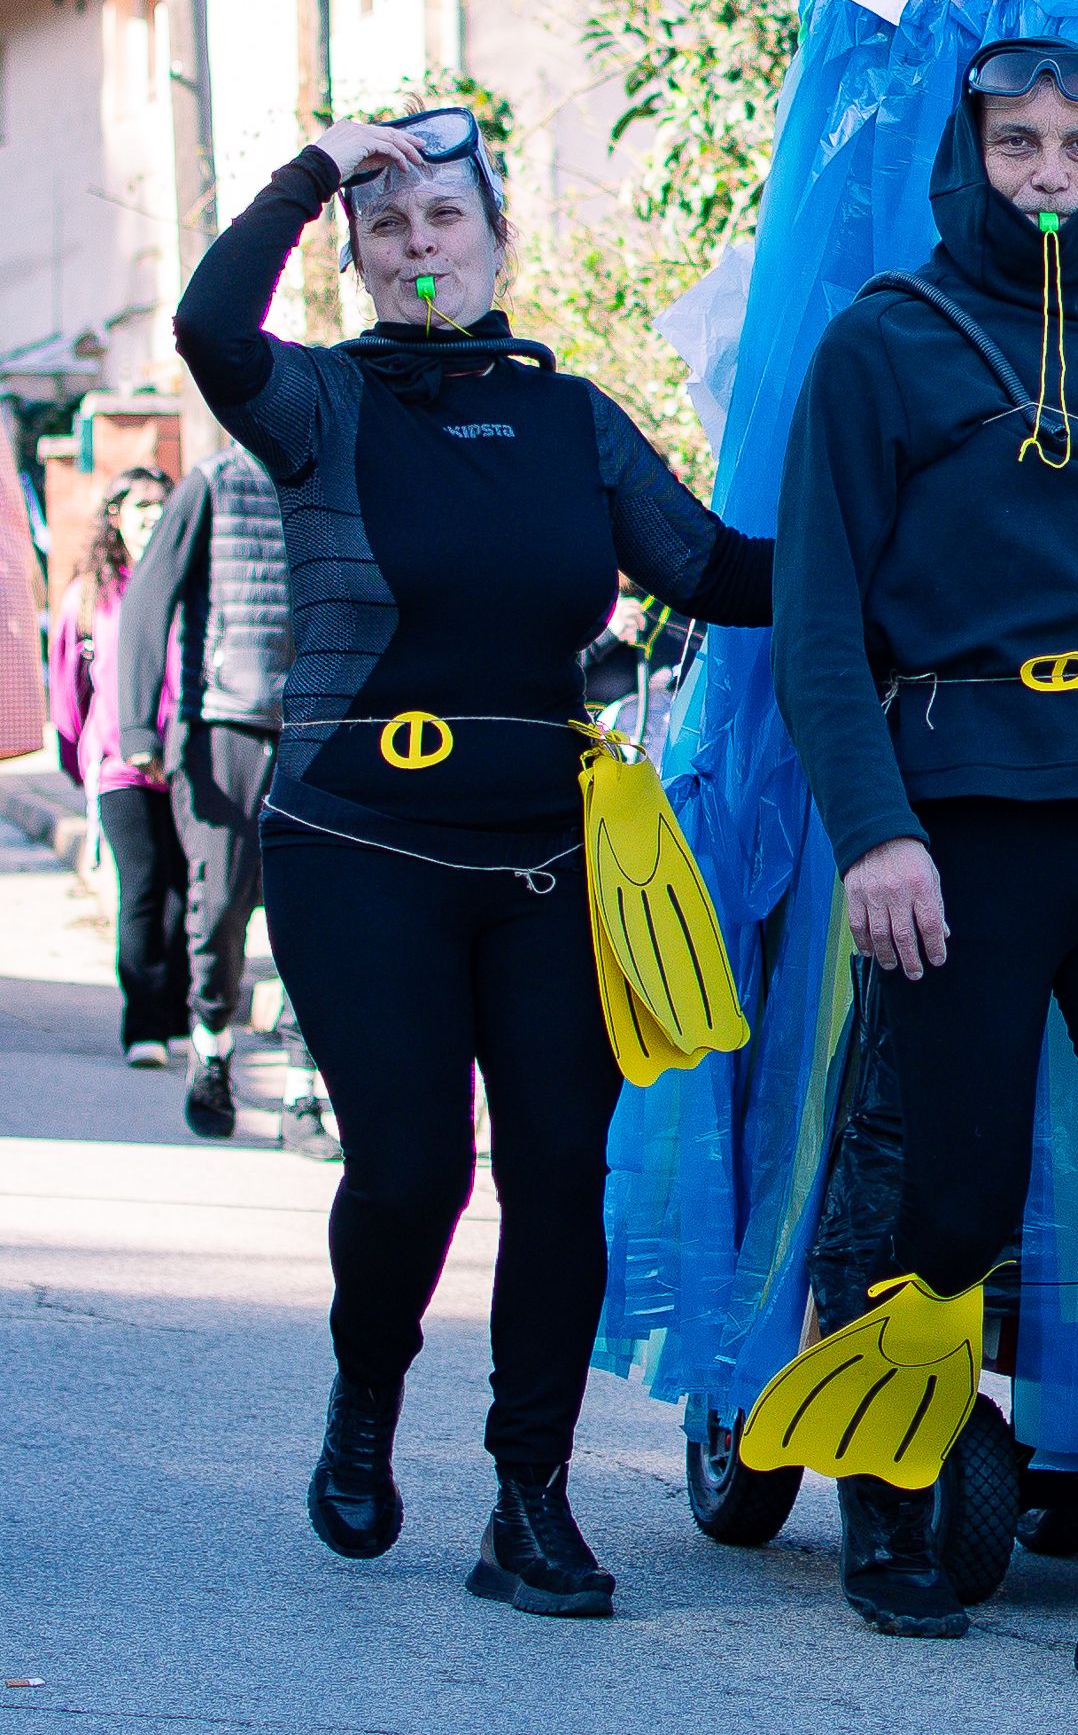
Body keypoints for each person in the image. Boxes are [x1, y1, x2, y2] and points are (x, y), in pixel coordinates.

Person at [169, 103, 773, 1620]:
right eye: (391, 228)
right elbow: (203, 326)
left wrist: (905, 506)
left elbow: (716, 572)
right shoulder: (317, 403)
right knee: (416, 1171)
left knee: (563, 1177)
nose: (419, 246)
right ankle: (365, 1408)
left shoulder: (571, 420)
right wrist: (315, 169)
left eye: (446, 221)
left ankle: (530, 1501)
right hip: (357, 842)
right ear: (358, 258)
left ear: (498, 241)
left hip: (549, 862)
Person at [770, 41, 1078, 1710]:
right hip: (958, 828)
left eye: (1076, 146)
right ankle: (894, 1499)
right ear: (966, 155)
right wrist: (875, 829)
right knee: (955, 1196)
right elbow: (820, 623)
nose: (1047, 174)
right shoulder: (882, 345)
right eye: (1015, 144)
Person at [118, 430, 292, 1139]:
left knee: (313, 915)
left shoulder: (338, 477)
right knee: (221, 901)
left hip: (318, 723)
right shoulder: (212, 482)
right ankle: (213, 1044)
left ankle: (307, 1086)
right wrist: (137, 728)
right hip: (223, 723)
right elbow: (145, 601)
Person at [50, 469, 188, 1067]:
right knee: (142, 887)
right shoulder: (90, 594)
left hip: (188, 763)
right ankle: (144, 1026)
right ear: (115, 515)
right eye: (141, 507)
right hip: (118, 766)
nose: (154, 516)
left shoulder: (193, 581)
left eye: (164, 505)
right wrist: (84, 759)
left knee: (189, 893)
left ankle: (180, 1012)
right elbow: (67, 687)